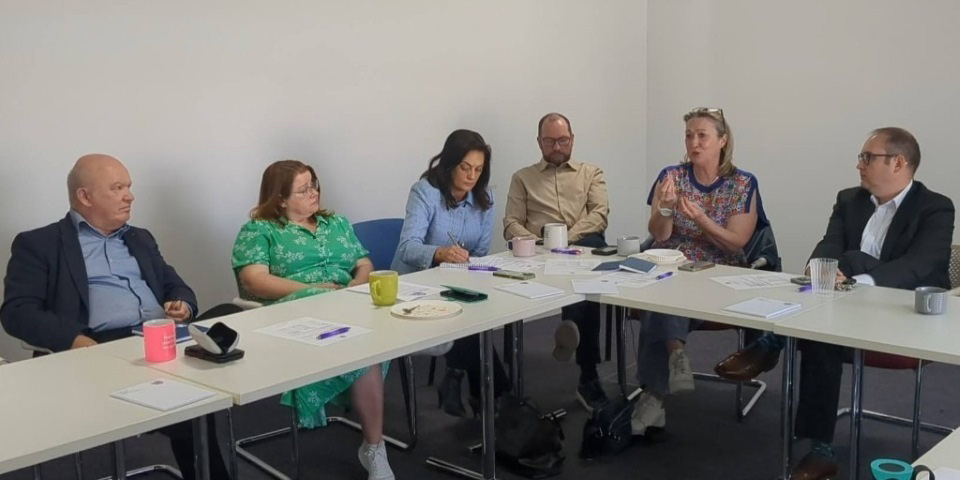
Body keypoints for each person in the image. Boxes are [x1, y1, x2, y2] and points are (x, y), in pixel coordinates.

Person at [715, 127, 954, 479]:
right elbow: (829, 244)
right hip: (842, 308)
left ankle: (771, 343)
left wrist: (855, 278)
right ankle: (820, 449)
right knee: (820, 331)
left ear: (898, 163)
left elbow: (918, 265)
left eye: (868, 157)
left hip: (905, 313)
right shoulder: (849, 199)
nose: (859, 164)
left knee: (844, 277)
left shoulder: (935, 207)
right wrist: (819, 269)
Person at [0, 154, 234, 480]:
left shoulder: (139, 238)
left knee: (224, 349)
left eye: (129, 187)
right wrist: (75, 340)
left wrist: (181, 302)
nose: (130, 196)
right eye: (117, 188)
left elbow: (174, 284)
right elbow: (17, 312)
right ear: (85, 196)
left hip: (161, 337)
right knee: (194, 402)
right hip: (100, 347)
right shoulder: (40, 244)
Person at [231, 160, 394, 480]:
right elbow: (254, 280)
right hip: (292, 314)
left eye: (314, 185)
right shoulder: (259, 230)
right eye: (303, 189)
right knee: (363, 345)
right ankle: (375, 447)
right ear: (280, 199)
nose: (314, 193)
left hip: (347, 305)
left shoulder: (336, 223)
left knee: (367, 343)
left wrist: (357, 283)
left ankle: (374, 447)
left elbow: (363, 263)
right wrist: (312, 290)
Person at [632, 108, 766, 436]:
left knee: (665, 295)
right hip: (672, 261)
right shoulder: (671, 176)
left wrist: (701, 219)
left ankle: (654, 393)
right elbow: (660, 234)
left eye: (702, 135)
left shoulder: (742, 183)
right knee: (661, 290)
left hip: (720, 269)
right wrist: (665, 208)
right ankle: (676, 356)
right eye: (689, 135)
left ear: (722, 140)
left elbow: (736, 242)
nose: (694, 142)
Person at [392, 129, 510, 417]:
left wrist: (468, 266)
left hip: (456, 281)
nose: (472, 176)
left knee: (479, 311)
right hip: (415, 284)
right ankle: (496, 399)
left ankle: (463, 380)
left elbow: (479, 252)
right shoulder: (425, 192)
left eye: (478, 169)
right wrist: (440, 253)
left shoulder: (485, 198)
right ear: (449, 164)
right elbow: (407, 247)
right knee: (469, 320)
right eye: (465, 167)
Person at [503, 112, 610, 412]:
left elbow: (599, 214)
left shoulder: (591, 173)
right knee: (583, 286)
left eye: (563, 140)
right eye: (550, 141)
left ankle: (584, 364)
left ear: (572, 140)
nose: (557, 147)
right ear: (539, 142)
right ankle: (584, 368)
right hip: (538, 252)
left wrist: (565, 239)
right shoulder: (522, 178)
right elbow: (511, 223)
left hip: (582, 247)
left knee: (587, 280)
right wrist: (539, 243)